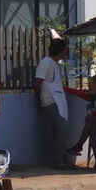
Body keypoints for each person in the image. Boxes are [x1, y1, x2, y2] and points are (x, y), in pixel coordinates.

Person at [33, 38, 70, 169]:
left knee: (59, 131)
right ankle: (59, 161)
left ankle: (60, 160)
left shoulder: (54, 64)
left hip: (55, 100)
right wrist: (39, 99)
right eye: (65, 50)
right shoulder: (46, 63)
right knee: (61, 129)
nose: (66, 52)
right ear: (60, 51)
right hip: (50, 100)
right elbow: (37, 82)